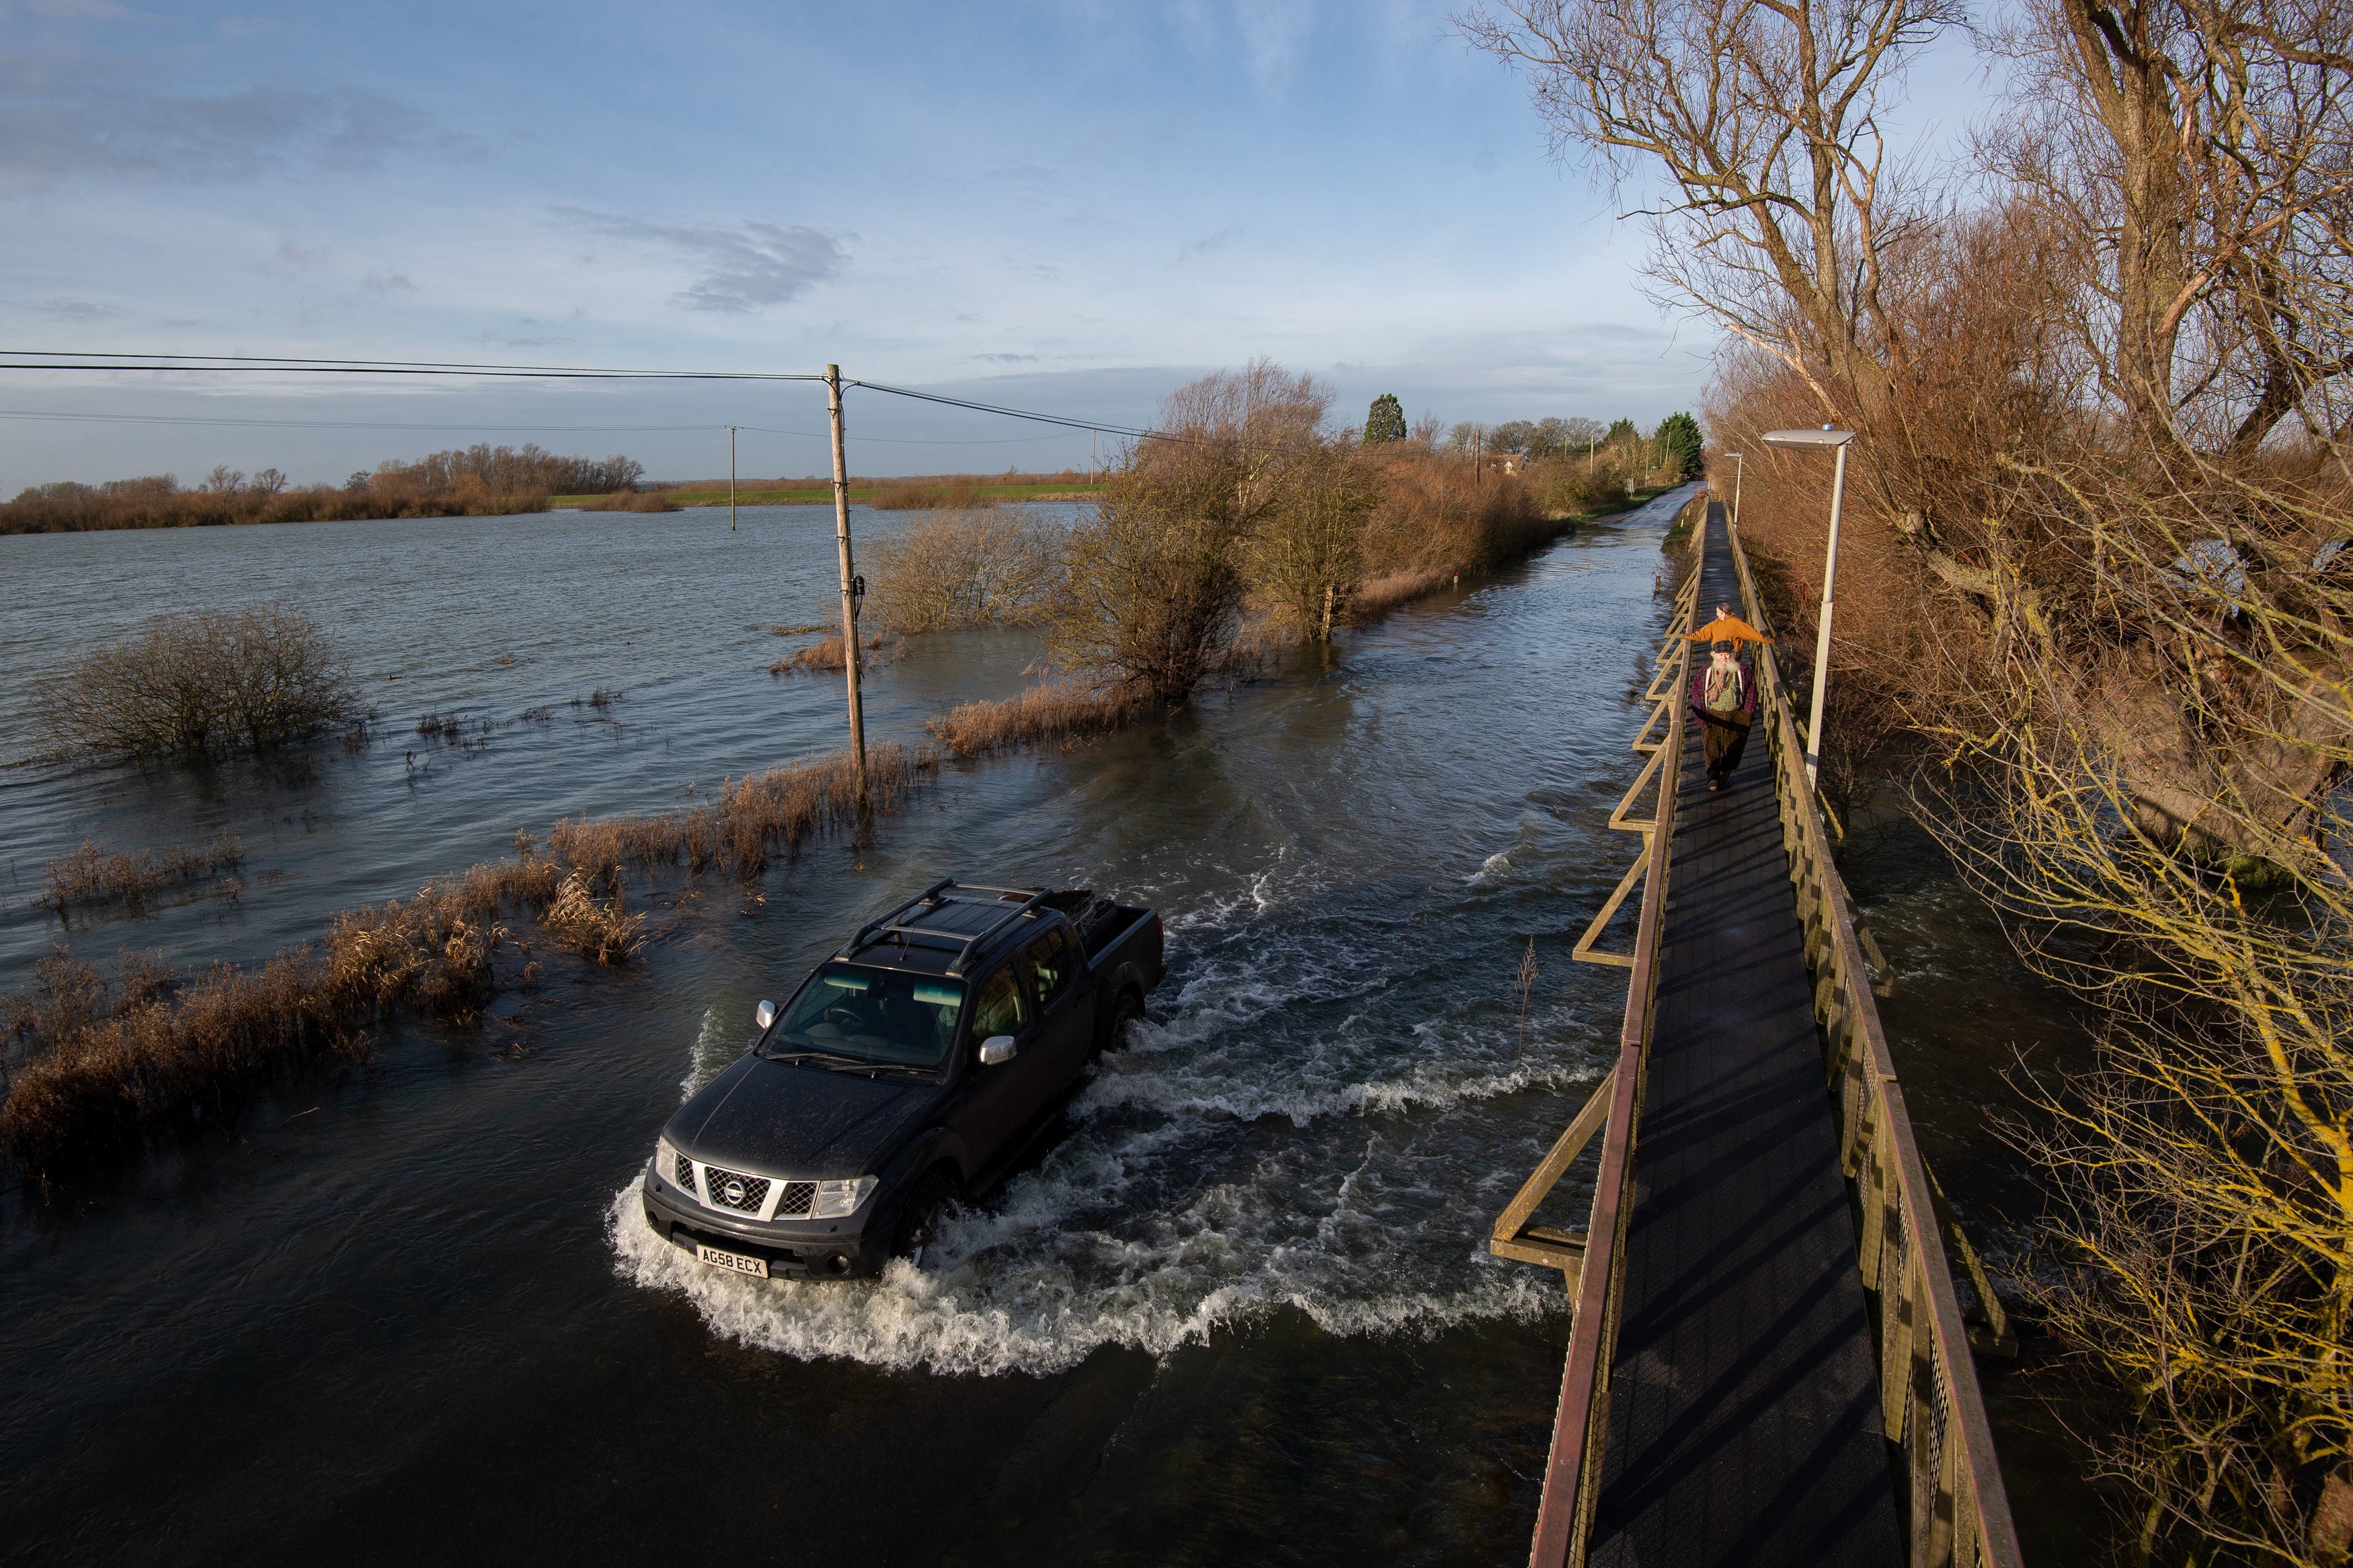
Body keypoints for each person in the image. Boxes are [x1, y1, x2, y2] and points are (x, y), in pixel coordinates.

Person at [1689, 638, 1757, 791]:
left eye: (1727, 654)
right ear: (1714, 655)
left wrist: (1748, 712)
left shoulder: (1744, 671)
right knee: (1711, 747)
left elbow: (1752, 691)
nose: (1724, 658)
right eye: (1720, 655)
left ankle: (1725, 771)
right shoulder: (1705, 672)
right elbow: (1698, 692)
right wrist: (1700, 715)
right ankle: (1712, 779)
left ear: (1732, 654)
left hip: (1737, 715)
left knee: (1734, 748)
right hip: (1712, 715)